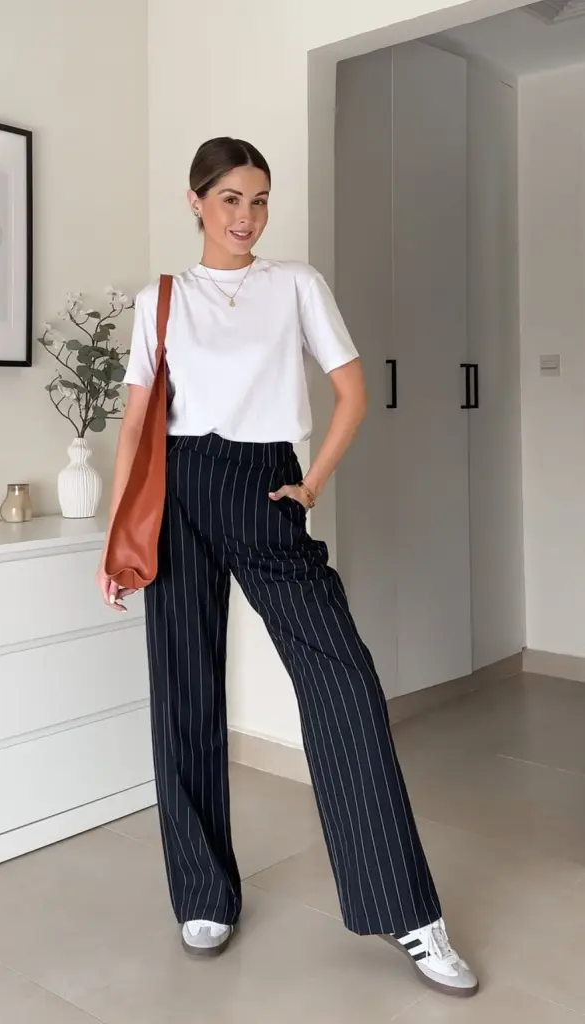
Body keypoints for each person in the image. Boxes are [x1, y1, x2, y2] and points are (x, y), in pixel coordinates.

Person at [97, 137, 478, 999]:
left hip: (265, 482)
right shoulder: (160, 299)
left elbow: (351, 391)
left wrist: (308, 482)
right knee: (184, 687)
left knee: (341, 682)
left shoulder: (297, 285)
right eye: (230, 199)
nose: (247, 217)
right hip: (182, 484)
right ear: (195, 201)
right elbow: (133, 428)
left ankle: (409, 913)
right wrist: (120, 537)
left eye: (260, 200)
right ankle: (202, 894)